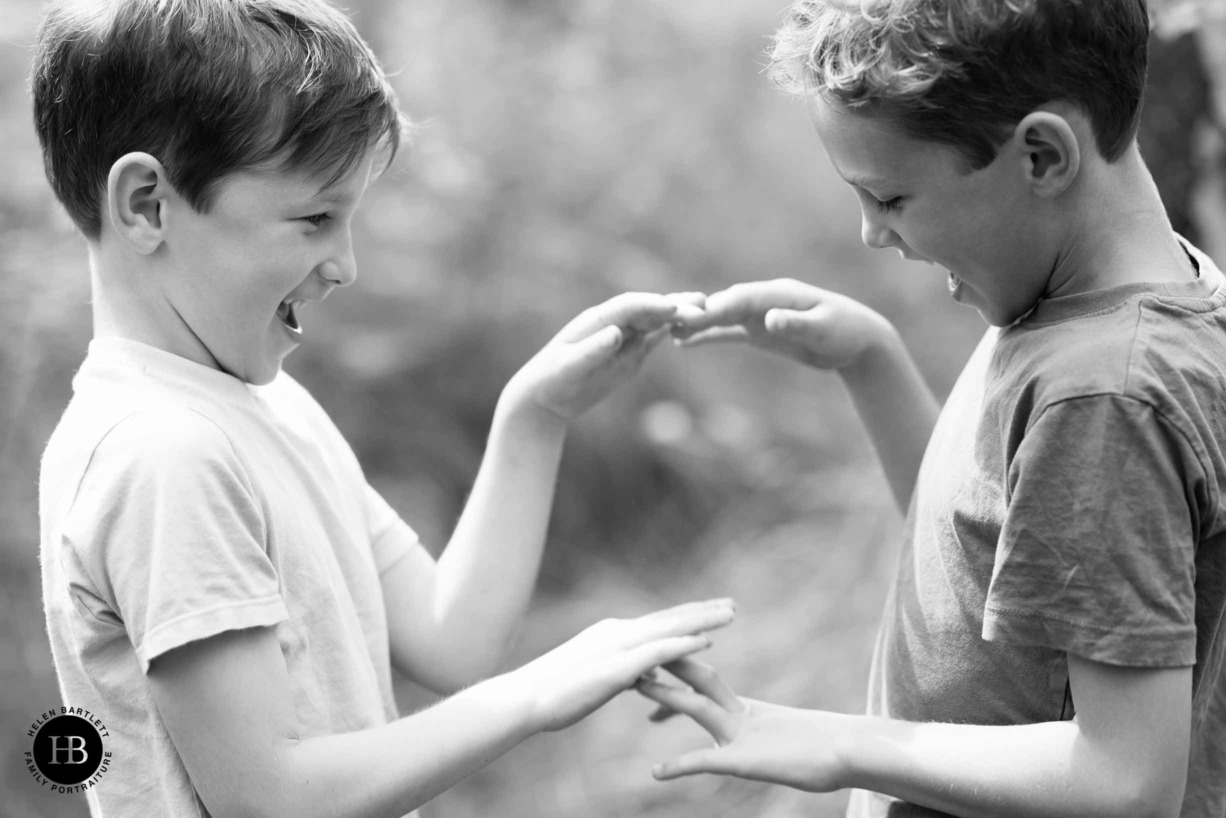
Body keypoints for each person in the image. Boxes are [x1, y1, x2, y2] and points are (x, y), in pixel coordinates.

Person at [31, 1, 733, 816]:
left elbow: (453, 638)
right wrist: (533, 695)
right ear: (149, 204)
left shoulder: (269, 410)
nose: (345, 265)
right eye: (316, 218)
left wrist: (535, 416)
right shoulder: (161, 454)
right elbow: (274, 799)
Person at [637, 1, 1226, 816]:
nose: (875, 234)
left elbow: (1125, 779)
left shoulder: (1104, 394)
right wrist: (870, 363)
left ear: (1044, 155)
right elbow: (1000, 560)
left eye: (890, 198)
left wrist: (849, 745)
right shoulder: (1080, 305)